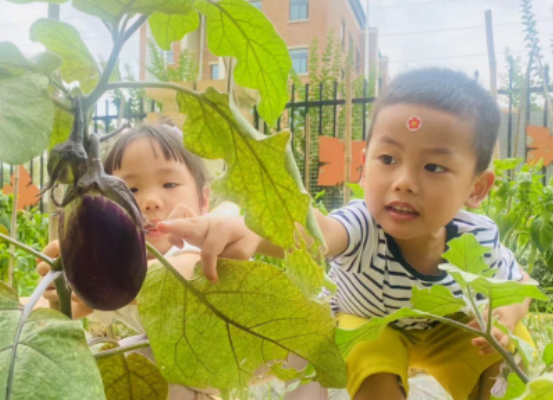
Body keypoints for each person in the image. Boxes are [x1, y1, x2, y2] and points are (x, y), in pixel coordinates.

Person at [153, 68, 535, 400]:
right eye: (388, 159)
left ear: (477, 188)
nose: (403, 182)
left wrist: (506, 313)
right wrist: (246, 229)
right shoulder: (363, 226)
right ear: (364, 167)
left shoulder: (477, 238)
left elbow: (521, 282)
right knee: (371, 360)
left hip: (445, 330)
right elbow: (315, 231)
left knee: (508, 356)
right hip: (369, 323)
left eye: (433, 167)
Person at [36, 123, 221, 400]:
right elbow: (61, 314)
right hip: (185, 381)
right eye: (130, 189)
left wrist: (87, 272)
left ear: (203, 199)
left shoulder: (204, 244)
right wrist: (55, 290)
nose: (149, 201)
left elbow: (176, 276)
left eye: (169, 184)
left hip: (234, 370)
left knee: (141, 357)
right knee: (118, 359)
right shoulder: (120, 264)